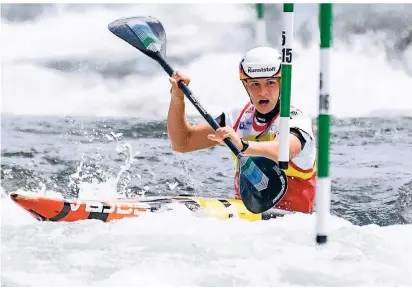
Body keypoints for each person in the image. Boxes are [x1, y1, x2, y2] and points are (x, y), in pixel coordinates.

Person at [167, 46, 316, 214]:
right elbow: (182, 143)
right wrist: (177, 98)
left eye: (270, 83)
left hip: (291, 223)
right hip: (245, 222)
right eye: (254, 84)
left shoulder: (296, 120)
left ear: (282, 83)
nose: (263, 92)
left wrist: (243, 145)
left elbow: (285, 151)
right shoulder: (236, 118)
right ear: (245, 85)